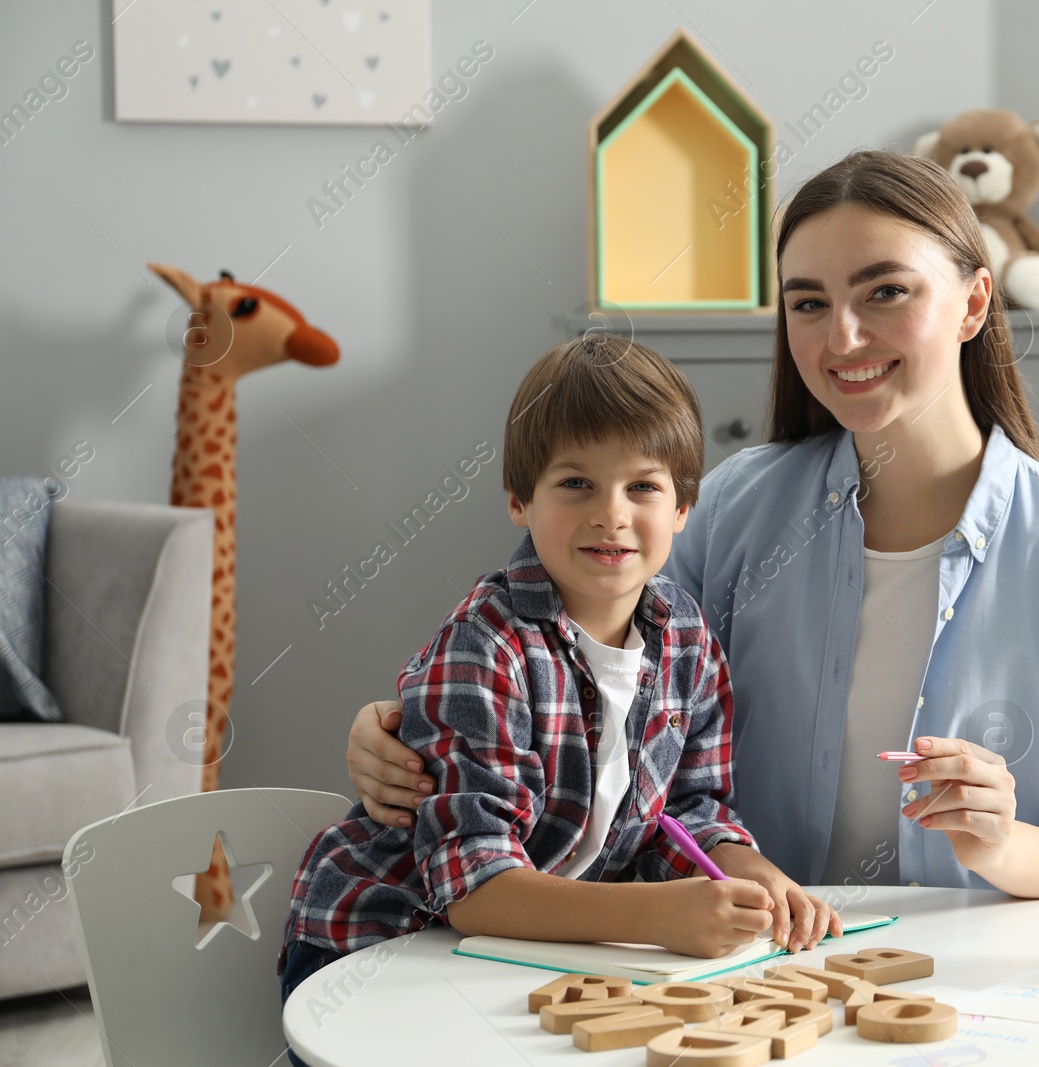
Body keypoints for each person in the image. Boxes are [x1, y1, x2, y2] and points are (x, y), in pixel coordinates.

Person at [345, 150, 1039, 935]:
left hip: (967, 976)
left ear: (975, 303)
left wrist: (1005, 843)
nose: (842, 337)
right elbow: (565, 671)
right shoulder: (738, 507)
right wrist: (397, 728)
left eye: (885, 291)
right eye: (808, 303)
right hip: (747, 966)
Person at [279, 336, 841, 1040]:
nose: (611, 512)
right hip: (379, 952)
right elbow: (476, 887)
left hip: (523, 954)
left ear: (683, 508)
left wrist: (756, 874)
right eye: (576, 483)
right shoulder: (486, 646)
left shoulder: (688, 641)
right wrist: (657, 916)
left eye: (642, 486)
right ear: (519, 500)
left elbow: (689, 811)